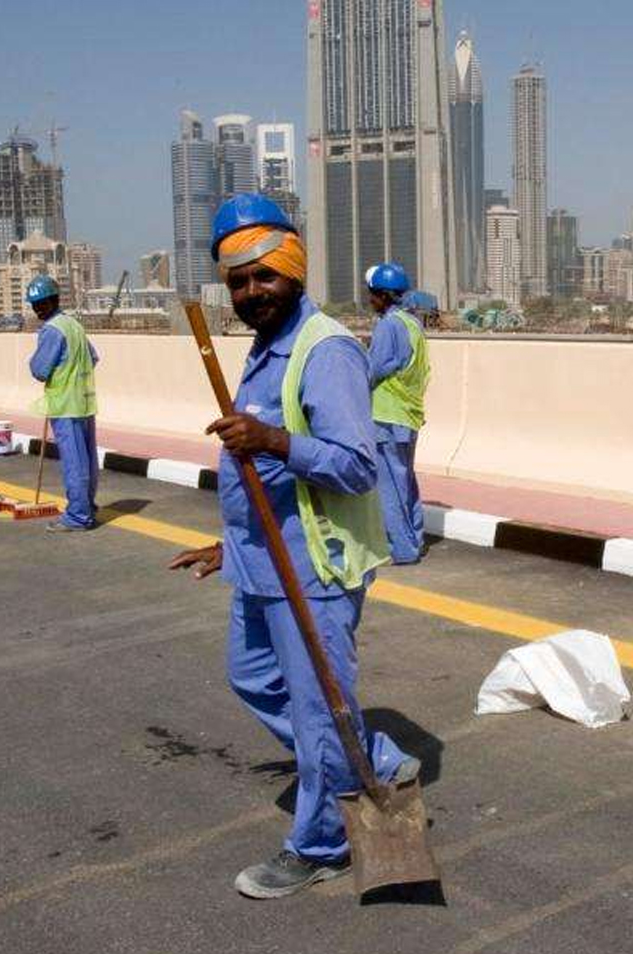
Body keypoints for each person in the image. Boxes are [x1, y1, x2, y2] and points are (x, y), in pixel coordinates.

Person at [168, 193, 417, 900]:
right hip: (260, 561)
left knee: (317, 710)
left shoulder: (325, 350)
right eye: (238, 282)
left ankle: (322, 843)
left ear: (294, 271)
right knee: (252, 677)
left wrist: (274, 439)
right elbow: (263, 482)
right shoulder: (263, 348)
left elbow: (358, 466)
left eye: (264, 276)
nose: (252, 292)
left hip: (313, 567)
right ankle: (369, 757)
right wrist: (228, 543)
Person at [362, 262, 431, 564]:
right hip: (408, 413)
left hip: (387, 414)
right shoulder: (413, 324)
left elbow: (374, 368)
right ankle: (414, 539)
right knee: (404, 480)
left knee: (389, 484)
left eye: (372, 295)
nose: (370, 300)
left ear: (383, 296)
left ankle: (400, 549)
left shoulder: (388, 325)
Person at [23, 274, 99, 532]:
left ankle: (78, 515)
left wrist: (51, 372)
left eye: (42, 303)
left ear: (54, 300)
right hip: (85, 402)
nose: (38, 309)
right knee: (87, 459)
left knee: (74, 463)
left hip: (65, 405)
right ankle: (87, 505)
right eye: (35, 305)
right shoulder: (73, 325)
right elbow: (93, 357)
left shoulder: (51, 330)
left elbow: (39, 369)